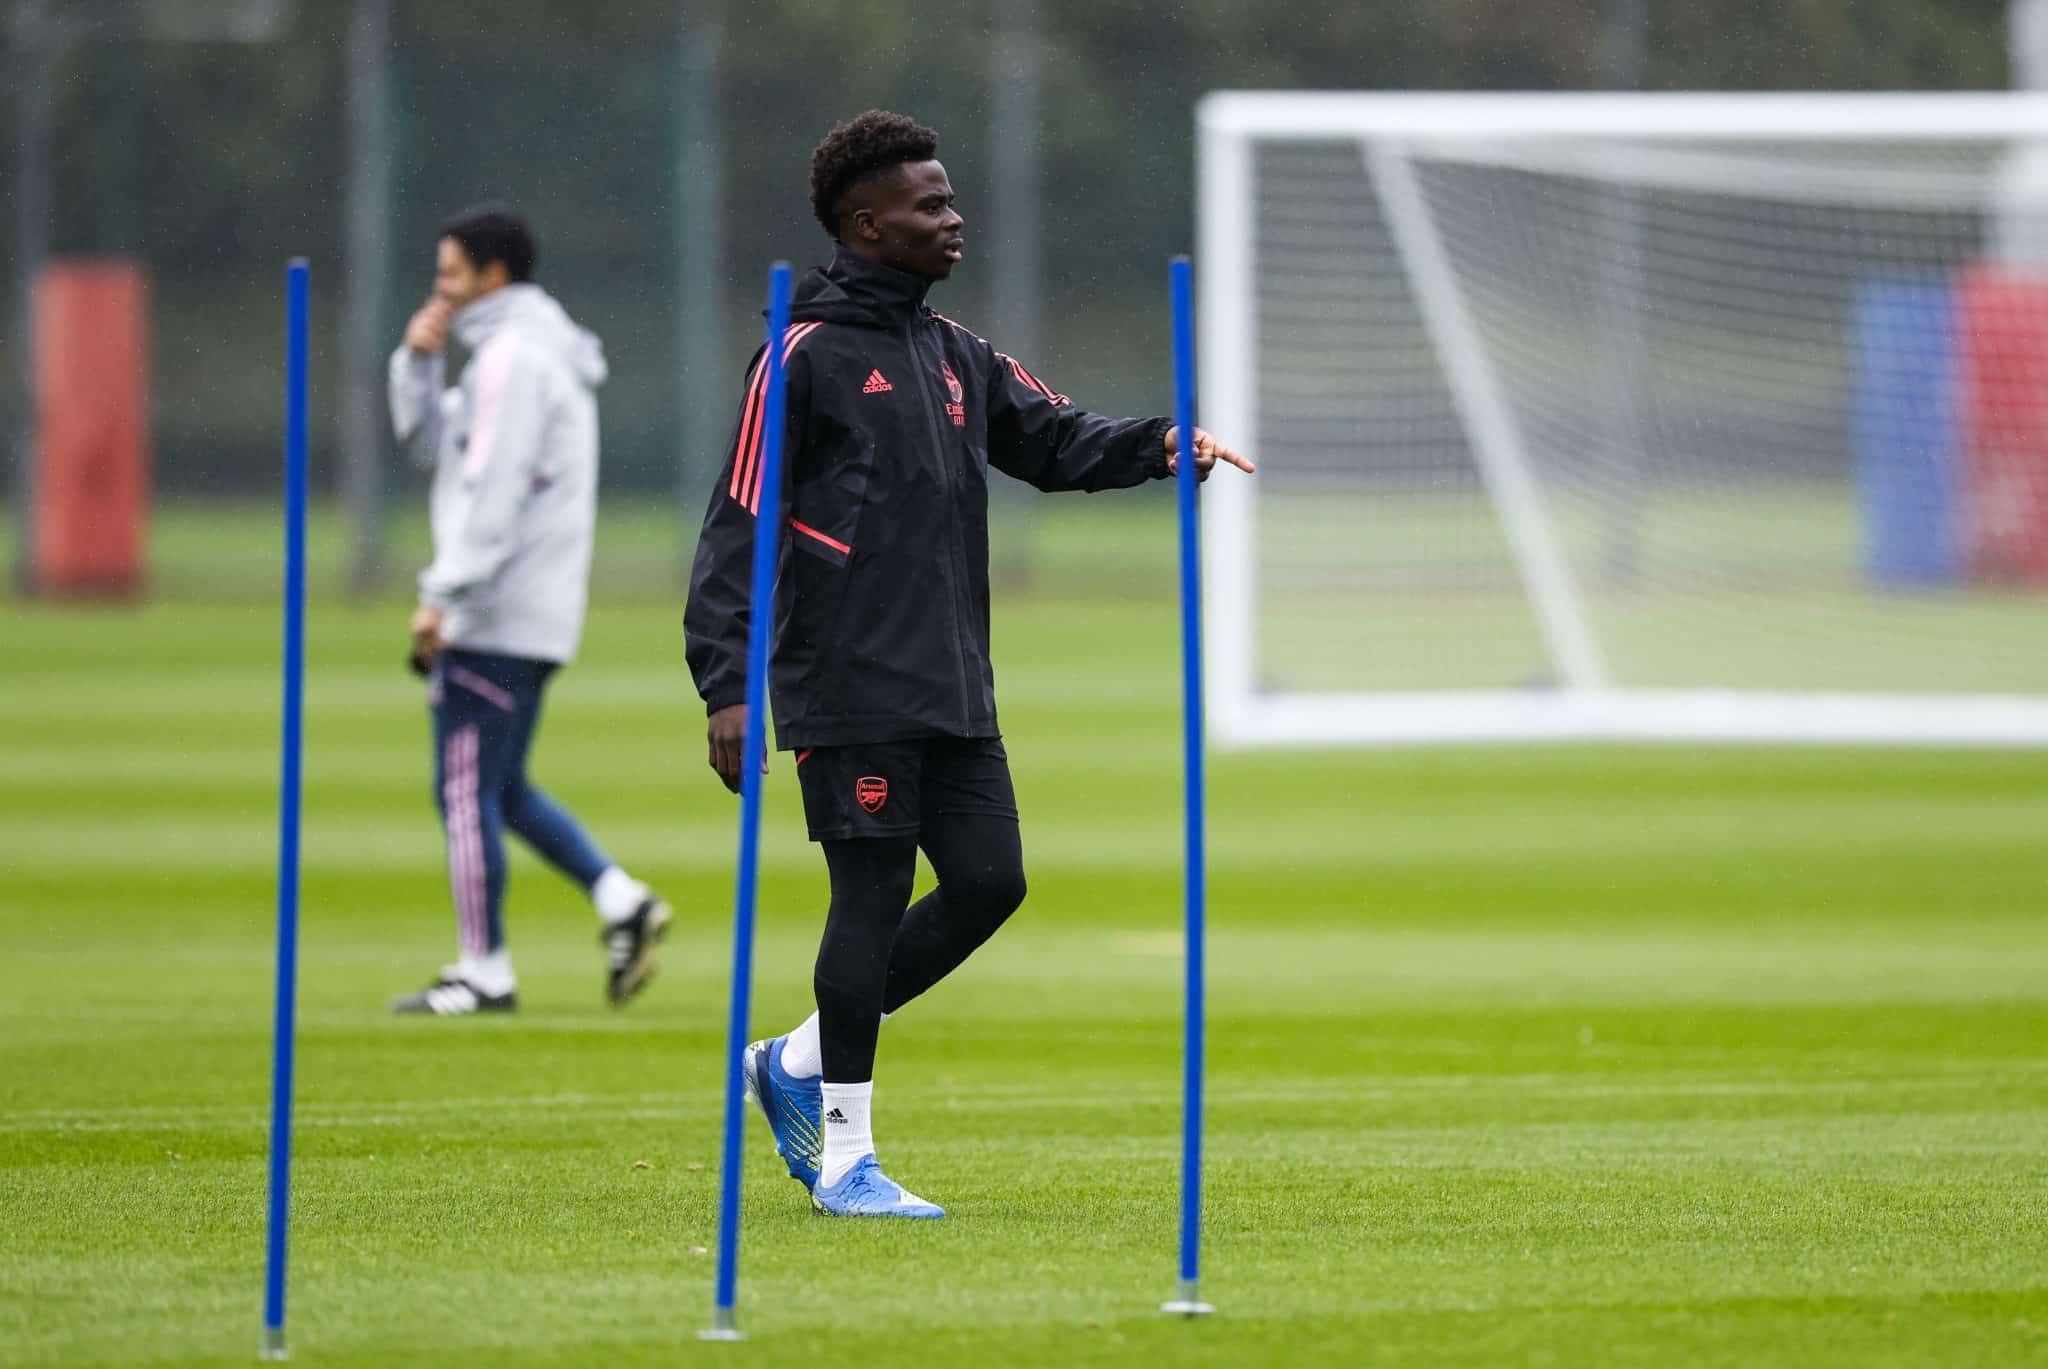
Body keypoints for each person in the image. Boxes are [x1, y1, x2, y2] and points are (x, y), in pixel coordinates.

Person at [684, 113, 1253, 1218]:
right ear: (866, 223)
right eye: (928, 204)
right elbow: (735, 525)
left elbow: (1051, 437)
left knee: (992, 882)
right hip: (844, 680)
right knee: (871, 890)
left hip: (951, 679)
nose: (953, 219)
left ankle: (793, 1061)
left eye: (950, 200)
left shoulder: (956, 354)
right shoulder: (798, 356)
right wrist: (723, 686)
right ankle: (844, 1156)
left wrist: (1158, 445)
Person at [387, 203, 671, 1016]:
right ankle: (621, 899)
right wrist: (416, 361)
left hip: (498, 606)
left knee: (464, 787)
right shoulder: (523, 353)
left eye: (450, 274)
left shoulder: (513, 358)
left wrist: (443, 594)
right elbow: (431, 443)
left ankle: (484, 969)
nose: (439, 291)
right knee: (501, 786)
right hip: (530, 604)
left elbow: (491, 487)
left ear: (491, 275)